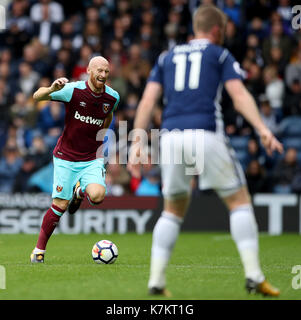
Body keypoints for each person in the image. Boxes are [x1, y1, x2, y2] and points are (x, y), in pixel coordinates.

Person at [127, 5, 283, 297]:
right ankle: (253, 275)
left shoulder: (166, 57)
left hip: (170, 137)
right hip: (205, 132)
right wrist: (263, 129)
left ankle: (156, 281)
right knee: (239, 202)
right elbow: (238, 95)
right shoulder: (219, 54)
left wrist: (137, 142)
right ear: (216, 30)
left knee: (172, 210)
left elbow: (147, 101)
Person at [30, 56, 120, 263]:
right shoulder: (73, 90)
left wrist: (97, 141)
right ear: (89, 70)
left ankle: (79, 191)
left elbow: (108, 117)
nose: (103, 75)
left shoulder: (112, 97)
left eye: (106, 71)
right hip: (66, 157)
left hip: (91, 157)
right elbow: (36, 96)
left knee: (97, 196)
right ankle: (38, 250)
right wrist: (52, 89)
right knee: (60, 205)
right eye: (99, 70)